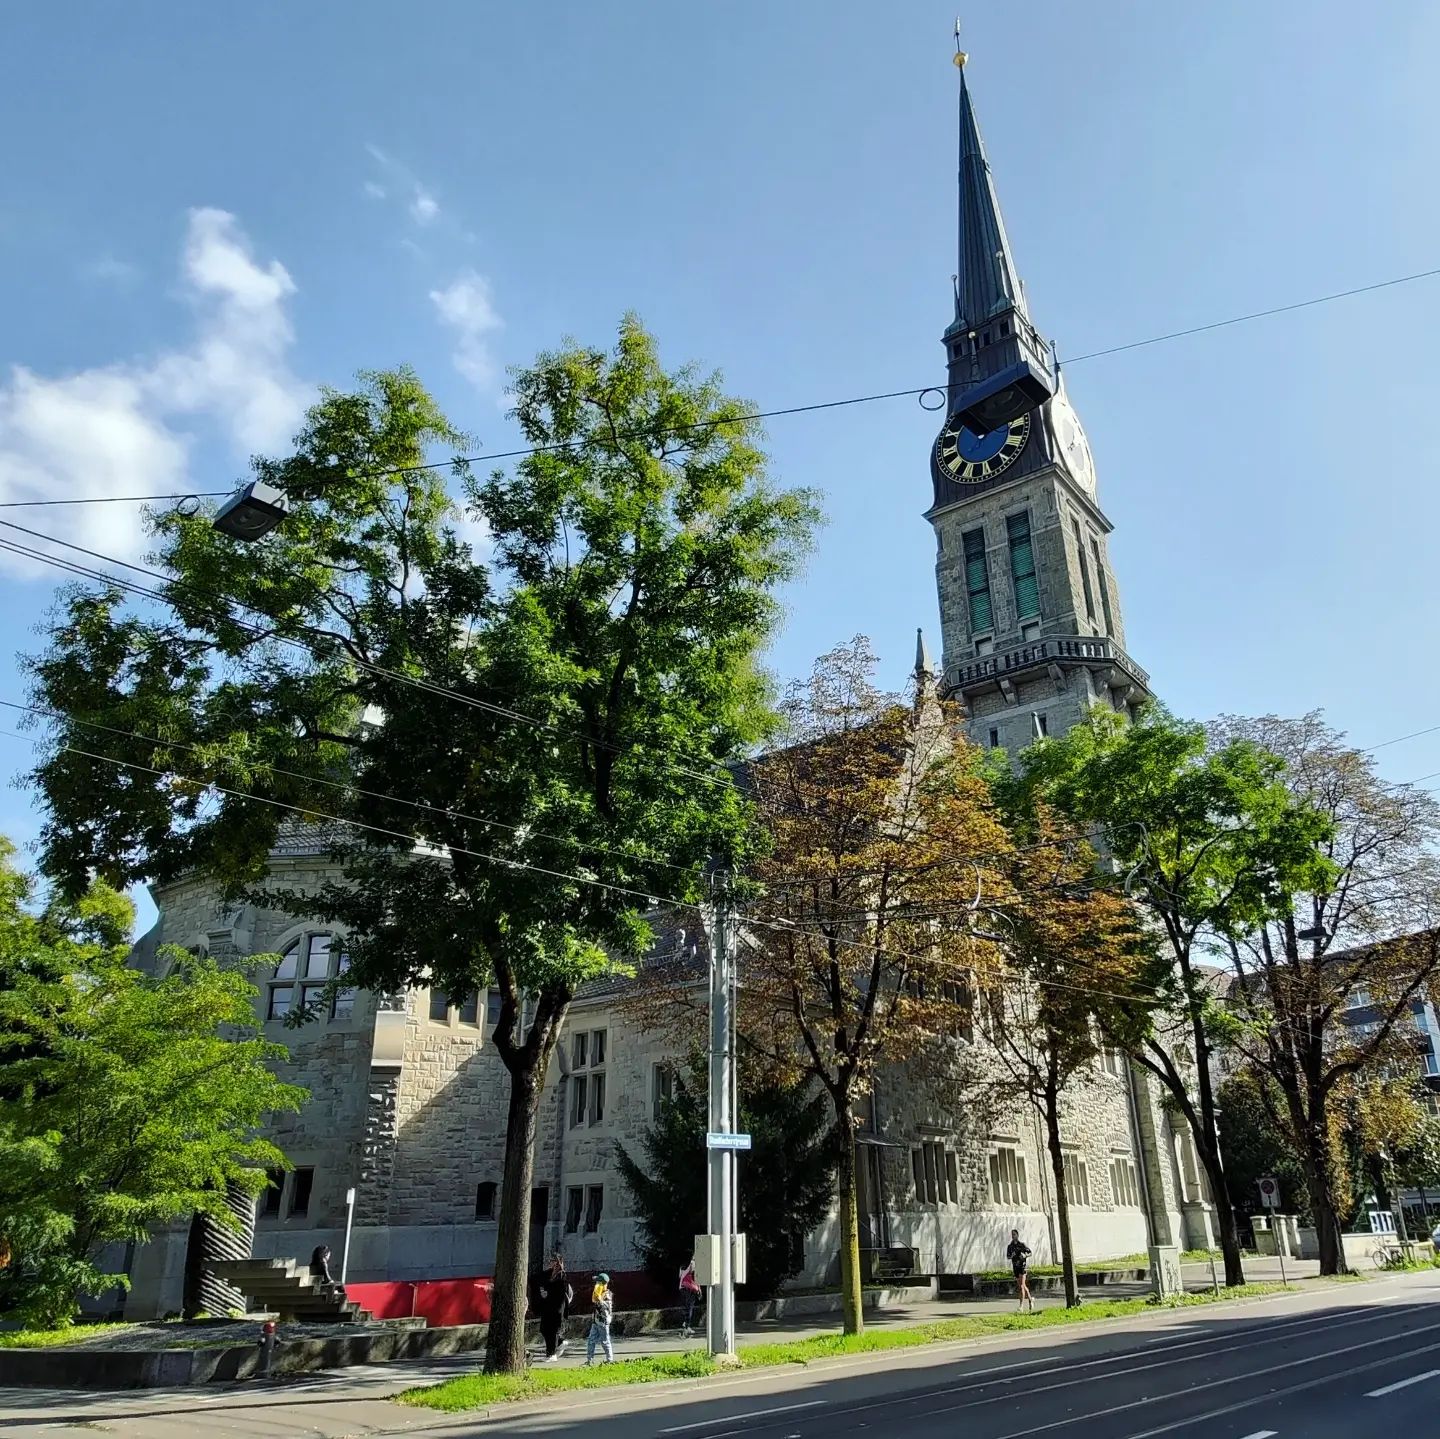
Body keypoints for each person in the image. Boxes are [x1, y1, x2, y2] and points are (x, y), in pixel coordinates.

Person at [535, 1253, 573, 1362]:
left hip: (557, 1308)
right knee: (544, 1329)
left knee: (553, 1331)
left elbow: (560, 1293)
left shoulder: (561, 1275)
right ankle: (560, 1343)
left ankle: (551, 1354)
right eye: (550, 1260)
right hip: (548, 1307)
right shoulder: (550, 1274)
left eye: (553, 1260)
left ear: (558, 1262)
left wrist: (547, 1292)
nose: (550, 1263)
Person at [585, 1272, 615, 1365]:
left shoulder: (607, 1295)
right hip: (596, 1320)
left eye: (598, 1283)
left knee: (605, 1341)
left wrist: (599, 1299)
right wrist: (597, 1295)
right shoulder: (599, 1293)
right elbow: (594, 1300)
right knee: (591, 1340)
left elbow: (604, 1307)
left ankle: (609, 1360)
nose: (596, 1285)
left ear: (602, 1284)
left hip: (603, 1322)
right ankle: (590, 1360)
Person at [1006, 1229, 1033, 1313]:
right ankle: (1030, 1299)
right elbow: (1008, 1256)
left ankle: (1021, 1306)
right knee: (1022, 1286)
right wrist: (1012, 1256)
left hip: (1022, 1267)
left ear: (1017, 1235)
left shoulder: (1022, 1245)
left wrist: (1025, 1255)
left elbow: (1030, 1253)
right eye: (1012, 1234)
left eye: (1014, 1234)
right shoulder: (1010, 1246)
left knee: (1021, 1286)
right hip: (1015, 1267)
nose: (1013, 1236)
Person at [679, 1258, 702, 1336]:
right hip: (687, 1290)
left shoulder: (692, 1275)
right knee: (689, 1308)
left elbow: (697, 1282)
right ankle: (686, 1325)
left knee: (689, 1308)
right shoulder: (686, 1272)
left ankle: (687, 1325)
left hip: (691, 1291)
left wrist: (699, 1291)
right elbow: (691, 1267)